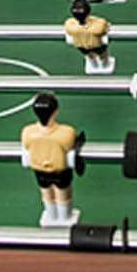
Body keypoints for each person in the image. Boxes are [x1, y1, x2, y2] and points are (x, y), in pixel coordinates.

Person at [20, 92, 78, 228]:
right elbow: (69, 145)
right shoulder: (67, 132)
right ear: (55, 111)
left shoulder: (27, 132)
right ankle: (64, 217)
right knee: (63, 194)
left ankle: (52, 215)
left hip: (39, 170)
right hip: (60, 170)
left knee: (46, 193)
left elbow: (27, 146)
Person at [64, 0, 113, 73]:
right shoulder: (100, 24)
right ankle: (104, 64)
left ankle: (94, 63)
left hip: (80, 45)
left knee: (88, 54)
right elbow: (105, 28)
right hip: (96, 44)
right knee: (102, 54)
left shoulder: (69, 24)